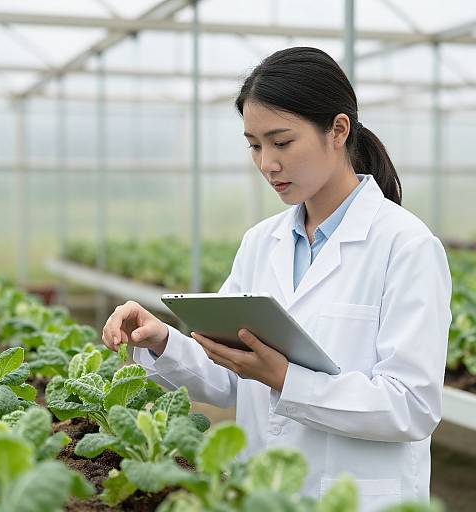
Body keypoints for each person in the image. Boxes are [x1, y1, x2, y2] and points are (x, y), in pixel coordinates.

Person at [102, 47, 452, 511]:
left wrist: (289, 380)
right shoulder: (260, 243)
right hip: (262, 493)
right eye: (254, 144)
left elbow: (412, 406)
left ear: (338, 130)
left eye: (281, 142)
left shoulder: (406, 246)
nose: (267, 163)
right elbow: (230, 374)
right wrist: (161, 338)